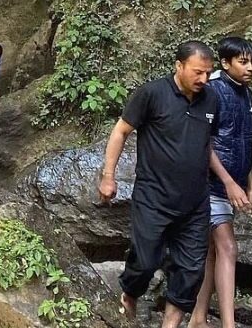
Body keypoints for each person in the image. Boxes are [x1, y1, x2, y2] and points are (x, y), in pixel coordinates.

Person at [98, 40, 235, 327]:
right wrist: (108, 176)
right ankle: (131, 293)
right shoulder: (152, 94)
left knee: (191, 271)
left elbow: (205, 145)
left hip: (196, 203)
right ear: (179, 66)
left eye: (208, 73)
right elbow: (121, 131)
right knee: (145, 262)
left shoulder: (210, 99)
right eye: (198, 72)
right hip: (154, 198)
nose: (204, 79)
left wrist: (228, 181)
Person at [191, 37, 252, 328]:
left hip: (231, 183)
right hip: (208, 184)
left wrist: (250, 185)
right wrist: (229, 183)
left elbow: (244, 142)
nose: (250, 68)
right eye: (243, 62)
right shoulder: (213, 92)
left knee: (212, 252)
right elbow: (203, 142)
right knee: (228, 247)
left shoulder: (248, 94)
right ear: (225, 63)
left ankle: (197, 318)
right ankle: (228, 325)